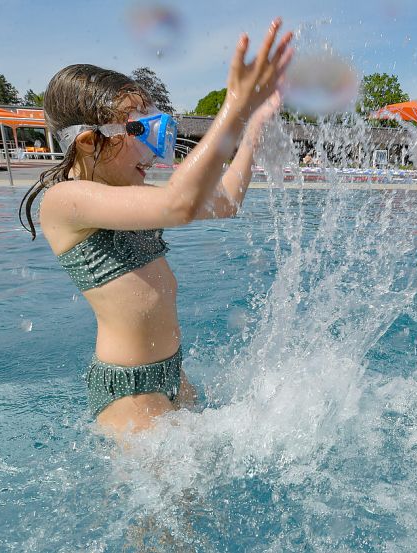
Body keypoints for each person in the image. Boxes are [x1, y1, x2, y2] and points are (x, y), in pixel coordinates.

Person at [17, 19, 293, 434]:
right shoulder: (65, 201)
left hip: (173, 376)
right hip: (129, 393)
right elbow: (180, 203)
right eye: (137, 132)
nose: (151, 149)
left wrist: (251, 130)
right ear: (89, 142)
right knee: (179, 499)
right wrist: (234, 104)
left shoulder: (128, 196)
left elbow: (227, 202)